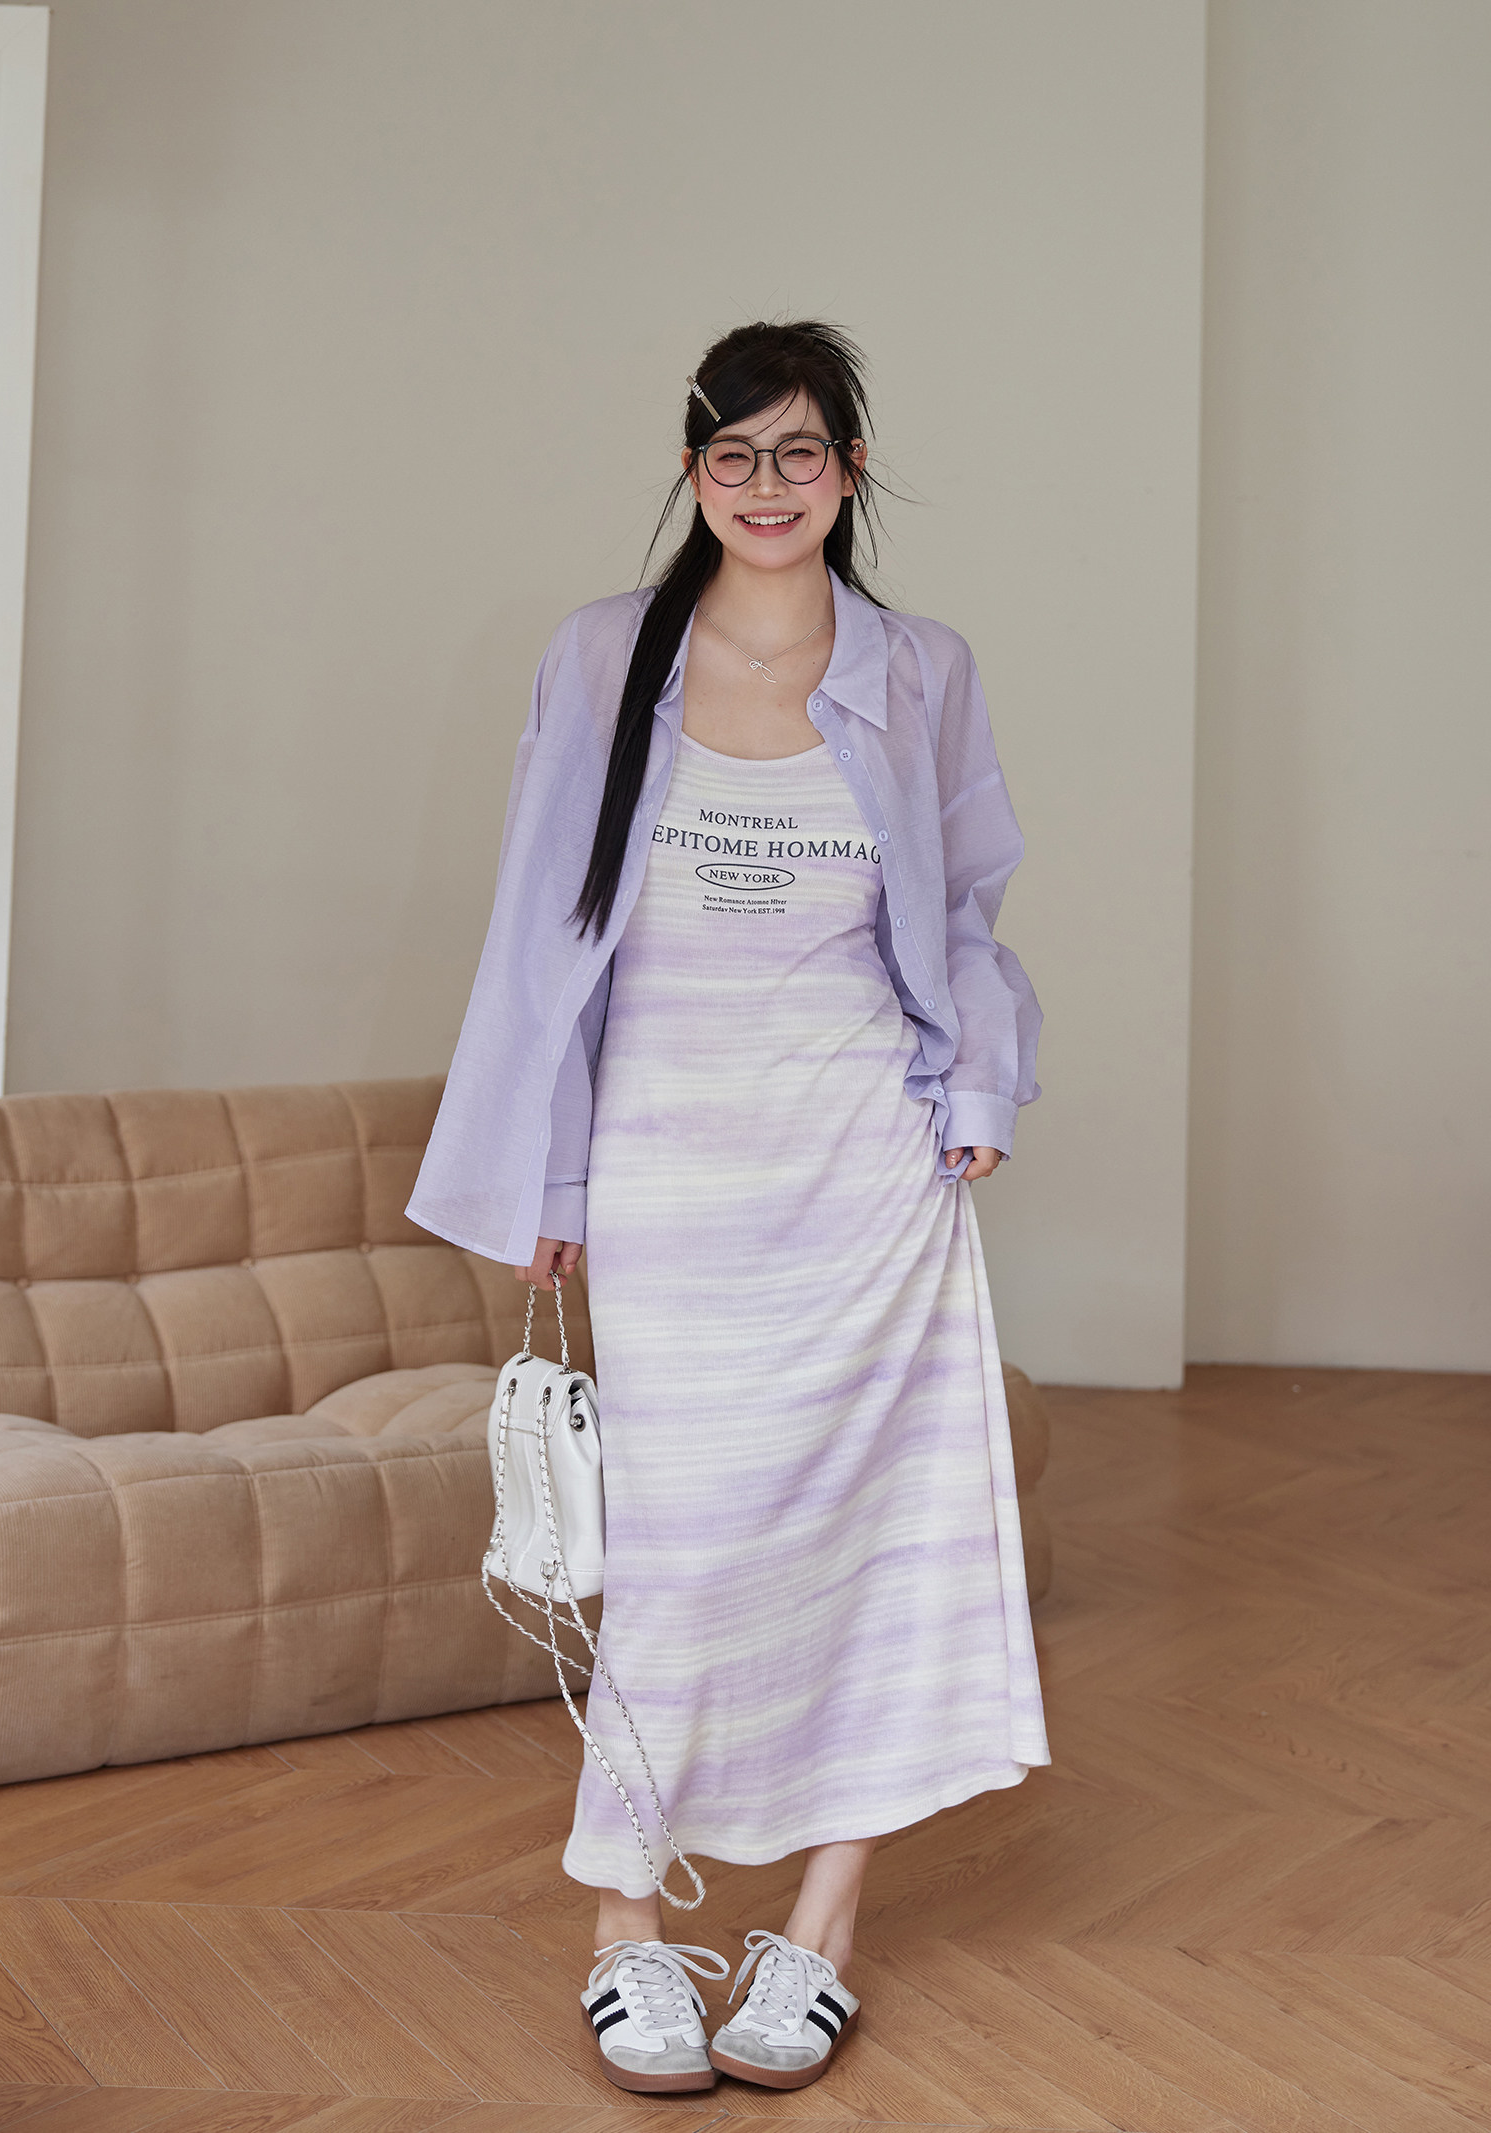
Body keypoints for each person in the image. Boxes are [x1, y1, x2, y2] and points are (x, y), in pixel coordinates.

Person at [407, 319, 1050, 2096]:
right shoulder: (601, 654)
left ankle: (817, 1935)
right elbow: (545, 934)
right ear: (693, 470)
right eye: (733, 453)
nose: (768, 485)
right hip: (669, 1165)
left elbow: (969, 903)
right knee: (679, 1552)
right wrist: (550, 1171)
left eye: (801, 451)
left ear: (851, 469)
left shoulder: (921, 667)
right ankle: (626, 1926)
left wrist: (976, 1087)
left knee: (879, 1532)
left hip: (866, 1159)